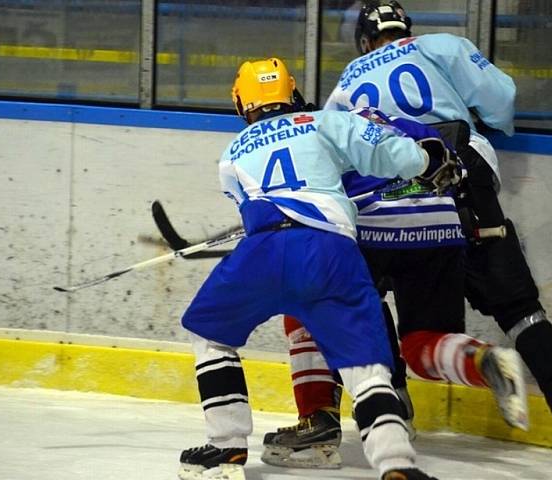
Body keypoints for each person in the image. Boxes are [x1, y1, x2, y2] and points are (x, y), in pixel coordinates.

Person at [263, 0, 552, 467]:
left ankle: (394, 400)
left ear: (365, 42)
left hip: (381, 199)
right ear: (405, 30)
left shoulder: (351, 77)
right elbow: (501, 100)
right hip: (463, 185)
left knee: (363, 295)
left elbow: (333, 149)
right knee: (517, 307)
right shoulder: (441, 46)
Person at [178, 57, 450, 480]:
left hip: (262, 253)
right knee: (366, 365)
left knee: (208, 334)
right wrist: (425, 159)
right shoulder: (323, 120)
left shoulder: (231, 154)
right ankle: (396, 463)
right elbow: (383, 150)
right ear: (291, 92)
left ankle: (226, 447)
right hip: (330, 253)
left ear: (242, 104)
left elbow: (254, 207)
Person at [261, 109, 530, 470]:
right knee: (424, 343)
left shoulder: (310, 131)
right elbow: (448, 163)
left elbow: (309, 205)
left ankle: (318, 426)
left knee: (305, 305)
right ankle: (485, 360)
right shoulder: (392, 120)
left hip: (372, 227)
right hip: (440, 225)